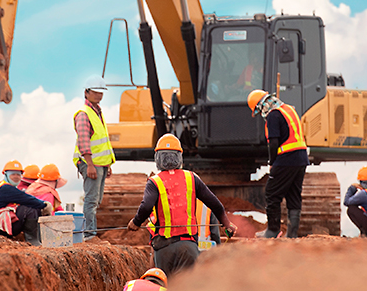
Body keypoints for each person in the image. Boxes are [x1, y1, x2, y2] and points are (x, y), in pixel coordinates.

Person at [128, 134, 236, 277]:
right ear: (179, 157)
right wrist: (227, 224)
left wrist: (136, 222)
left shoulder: (154, 182)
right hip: (188, 247)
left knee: (166, 284)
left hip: (164, 248)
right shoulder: (192, 178)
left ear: (158, 158)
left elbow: (146, 206)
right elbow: (214, 203)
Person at [247, 90, 308, 239]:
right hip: (301, 158)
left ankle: (273, 231)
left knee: (272, 193)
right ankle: (292, 235)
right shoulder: (289, 109)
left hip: (287, 158)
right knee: (293, 195)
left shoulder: (273, 115)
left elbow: (273, 143)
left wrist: (272, 162)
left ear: (260, 106)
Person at [73, 76, 115, 240]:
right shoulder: (84, 114)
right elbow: (84, 142)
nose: (99, 95)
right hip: (90, 163)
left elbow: (102, 143)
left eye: (101, 92)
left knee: (96, 200)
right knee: (91, 200)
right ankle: (90, 234)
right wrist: (89, 165)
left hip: (100, 163)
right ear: (86, 92)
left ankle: (90, 232)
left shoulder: (97, 112)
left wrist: (108, 164)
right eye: (96, 92)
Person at [0, 160, 54, 245]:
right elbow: (26, 199)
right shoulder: (6, 188)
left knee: (33, 208)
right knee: (28, 209)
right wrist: (44, 205)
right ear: (6, 174)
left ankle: (38, 239)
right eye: (13, 174)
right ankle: (32, 240)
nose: (16, 176)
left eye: (18, 174)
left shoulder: (6, 186)